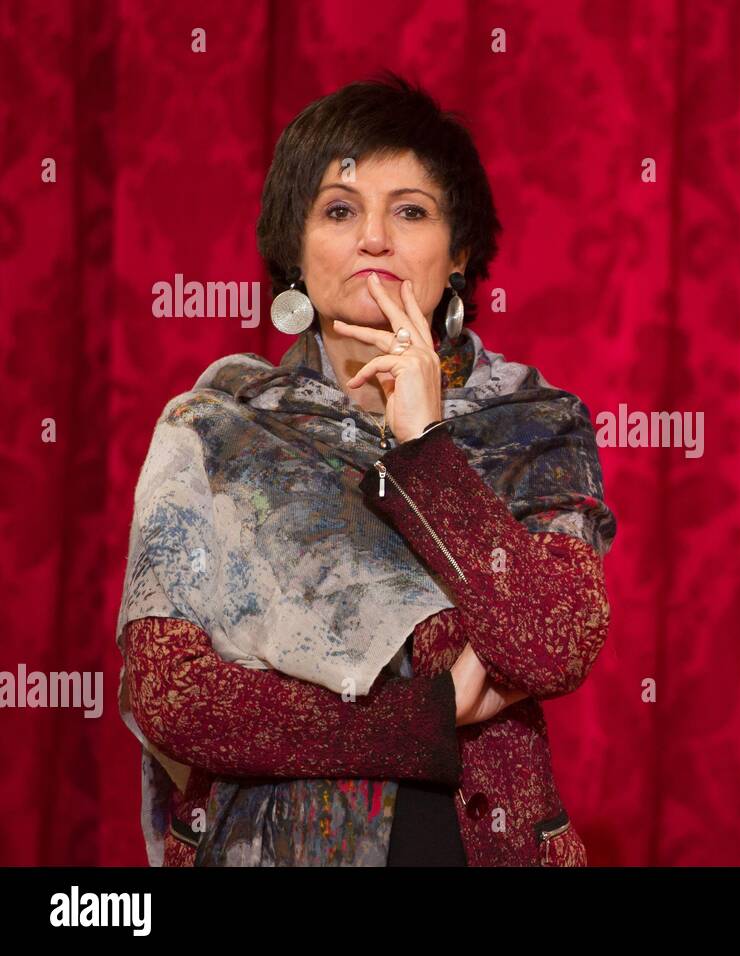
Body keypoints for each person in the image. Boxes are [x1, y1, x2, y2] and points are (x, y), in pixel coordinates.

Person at [113, 71, 617, 866]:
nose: (374, 238)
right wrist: (430, 713)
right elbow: (176, 698)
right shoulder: (217, 428)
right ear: (293, 251)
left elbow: (548, 644)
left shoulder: (533, 424)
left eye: (410, 211)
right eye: (340, 210)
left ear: (458, 254)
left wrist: (424, 444)